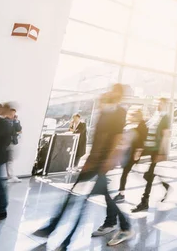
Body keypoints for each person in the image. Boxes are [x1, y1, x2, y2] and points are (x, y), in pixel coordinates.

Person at [33, 85, 133, 247]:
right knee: (75, 196)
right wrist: (89, 159)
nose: (110, 93)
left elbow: (117, 138)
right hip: (93, 161)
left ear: (119, 95)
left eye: (115, 91)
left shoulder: (119, 112)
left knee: (82, 200)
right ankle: (55, 228)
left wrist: (107, 161)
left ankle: (65, 237)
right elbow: (98, 137)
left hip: (101, 163)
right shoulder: (104, 111)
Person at [131, 98, 172, 212]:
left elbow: (165, 135)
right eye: (157, 103)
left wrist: (162, 153)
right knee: (147, 174)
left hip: (156, 150)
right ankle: (164, 185)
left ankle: (144, 202)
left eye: (160, 103)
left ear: (164, 105)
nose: (158, 104)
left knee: (149, 177)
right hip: (148, 147)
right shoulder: (156, 115)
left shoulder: (165, 117)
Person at [114, 108, 148, 203]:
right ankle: (150, 177)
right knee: (130, 173)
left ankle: (121, 194)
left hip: (133, 154)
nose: (131, 117)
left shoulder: (142, 125)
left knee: (125, 173)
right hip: (128, 152)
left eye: (133, 115)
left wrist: (138, 152)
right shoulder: (131, 124)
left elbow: (142, 140)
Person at [5, 108, 22, 183]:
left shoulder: (15, 121)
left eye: (14, 114)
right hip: (4, 143)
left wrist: (16, 121)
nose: (12, 115)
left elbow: (19, 129)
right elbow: (13, 132)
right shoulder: (3, 121)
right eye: (11, 114)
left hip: (11, 143)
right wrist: (16, 132)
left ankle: (11, 176)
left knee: (10, 160)